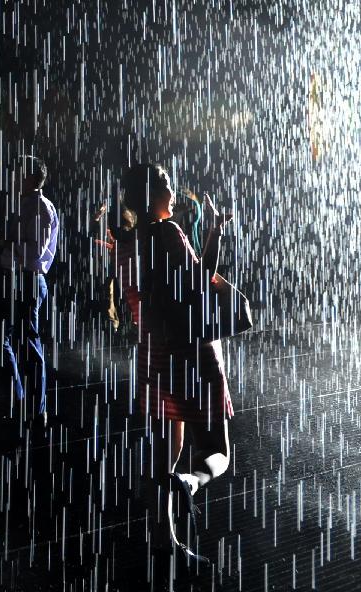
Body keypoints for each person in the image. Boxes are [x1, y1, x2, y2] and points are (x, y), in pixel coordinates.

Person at [114, 163, 233, 572]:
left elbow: (134, 302)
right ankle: (191, 483)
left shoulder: (127, 243)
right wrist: (217, 232)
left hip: (154, 356)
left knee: (165, 451)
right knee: (216, 452)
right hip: (190, 355)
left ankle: (164, 540)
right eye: (165, 181)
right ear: (150, 195)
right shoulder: (167, 233)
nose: (173, 184)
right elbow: (200, 280)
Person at [0, 156, 58, 423]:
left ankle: (31, 406)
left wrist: (10, 245)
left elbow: (35, 252)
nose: (14, 178)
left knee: (27, 345)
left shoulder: (39, 208)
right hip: (23, 279)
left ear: (32, 178)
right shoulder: (28, 205)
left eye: (19, 174)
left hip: (28, 279)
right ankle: (28, 404)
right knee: (19, 342)